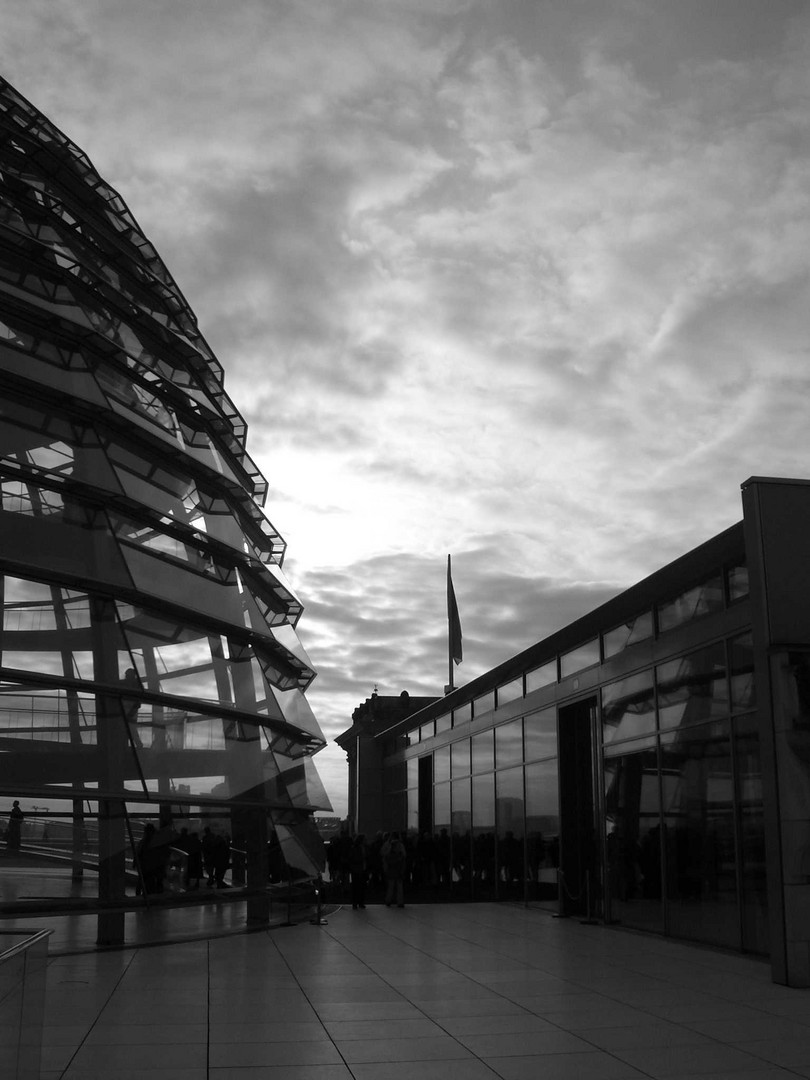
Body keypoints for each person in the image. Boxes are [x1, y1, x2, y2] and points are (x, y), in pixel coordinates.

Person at [382, 831, 407, 908]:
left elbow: (384, 855)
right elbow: (404, 856)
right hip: (398, 870)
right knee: (399, 887)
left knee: (391, 886)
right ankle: (400, 901)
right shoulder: (401, 848)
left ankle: (388, 900)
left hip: (391, 870)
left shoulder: (388, 849)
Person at [349, 834, 367, 909]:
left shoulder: (354, 848)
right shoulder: (360, 848)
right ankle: (359, 902)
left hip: (356, 869)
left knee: (356, 886)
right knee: (359, 886)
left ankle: (356, 902)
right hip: (359, 868)